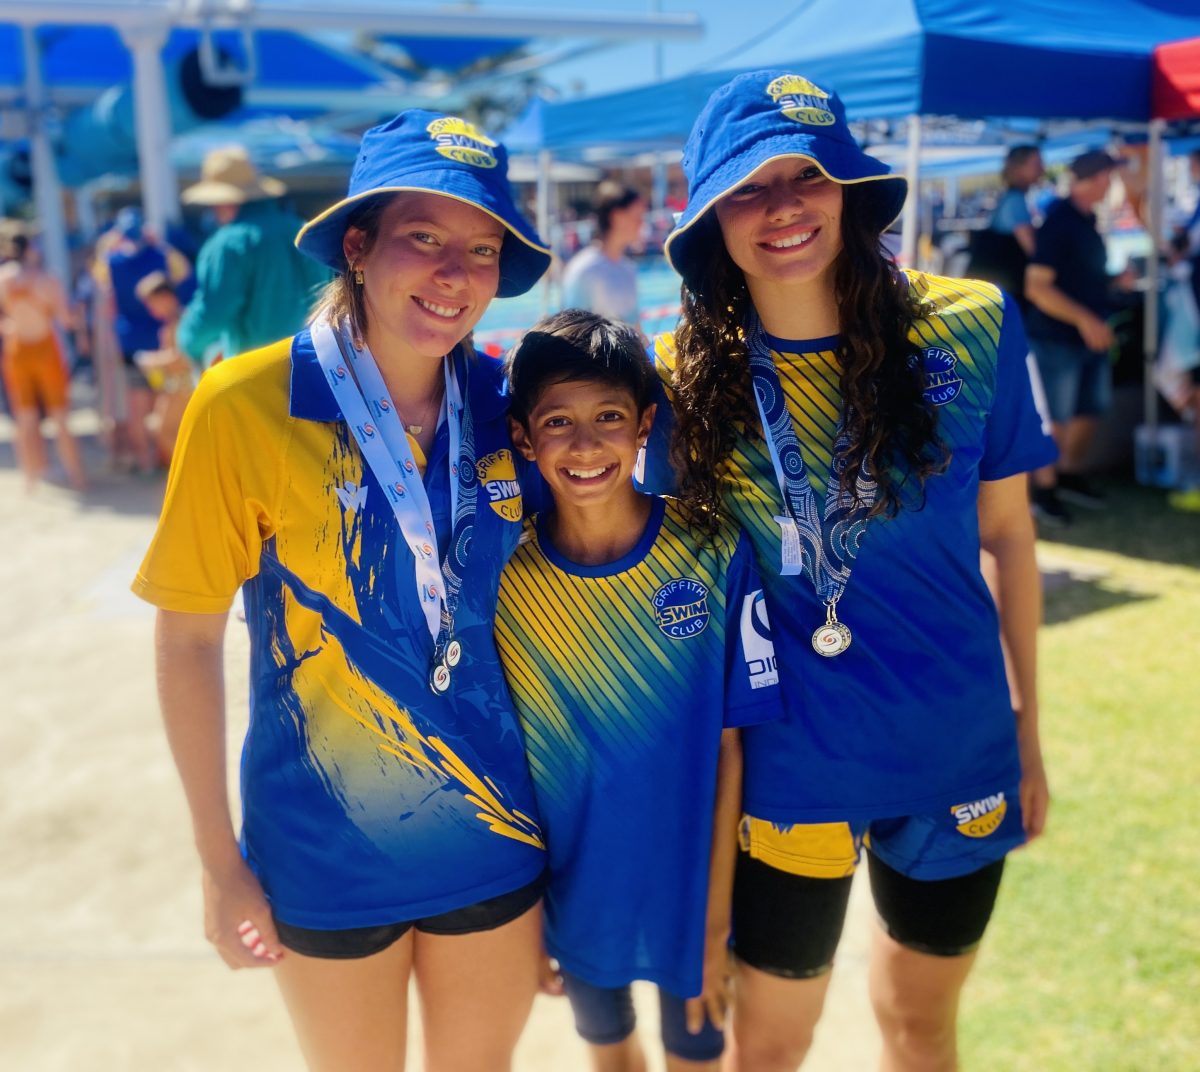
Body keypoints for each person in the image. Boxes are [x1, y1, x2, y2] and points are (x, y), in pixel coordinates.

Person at [640, 70, 1056, 1072]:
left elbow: (1009, 539)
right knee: (770, 1048)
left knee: (921, 1030)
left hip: (954, 752)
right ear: (710, 222)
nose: (784, 208)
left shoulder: (972, 322)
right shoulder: (675, 379)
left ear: (853, 189)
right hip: (787, 775)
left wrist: (1028, 735)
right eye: (749, 187)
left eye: (810, 176)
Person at [131, 110, 553, 1071]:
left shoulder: (510, 400)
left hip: (496, 832)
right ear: (357, 246)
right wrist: (219, 864)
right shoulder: (242, 403)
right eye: (425, 238)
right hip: (321, 846)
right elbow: (186, 641)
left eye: (483, 249)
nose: (455, 275)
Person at [496, 311, 781, 1072]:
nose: (585, 445)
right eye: (558, 421)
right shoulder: (504, 579)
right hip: (576, 903)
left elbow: (730, 751)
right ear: (523, 436)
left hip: (694, 899)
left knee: (696, 1059)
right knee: (610, 1059)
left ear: (645, 424)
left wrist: (716, 920)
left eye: (609, 418)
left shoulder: (713, 549)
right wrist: (527, 921)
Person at [1024, 149, 1130, 524]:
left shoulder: (1086, 221)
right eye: (1111, 177)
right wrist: (1085, 320)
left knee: (1088, 411)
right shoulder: (1059, 221)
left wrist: (1115, 283)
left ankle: (1067, 477)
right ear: (1099, 178)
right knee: (1054, 417)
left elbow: (1081, 277)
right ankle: (1045, 492)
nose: (1113, 185)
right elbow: (1038, 288)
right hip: (1056, 339)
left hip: (1089, 338)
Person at [176, 145, 330, 367]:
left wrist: (186, 342)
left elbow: (213, 313)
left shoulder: (228, 244)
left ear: (225, 202)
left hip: (255, 375)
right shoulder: (304, 231)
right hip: (315, 368)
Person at [102, 207, 193, 474]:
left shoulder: (112, 260)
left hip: (131, 341)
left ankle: (147, 463)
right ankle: (165, 462)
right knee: (162, 411)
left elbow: (97, 273)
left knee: (140, 409)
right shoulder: (163, 256)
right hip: (157, 341)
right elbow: (184, 272)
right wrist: (159, 243)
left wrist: (111, 241)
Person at [0, 232, 87, 492]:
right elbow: (66, 320)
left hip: (16, 350)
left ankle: (30, 477)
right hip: (44, 349)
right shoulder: (47, 280)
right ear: (30, 249)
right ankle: (76, 475)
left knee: (24, 417)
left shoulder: (4, 278)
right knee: (60, 416)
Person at [966, 145, 1044, 307]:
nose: (1042, 169)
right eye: (1037, 164)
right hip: (1004, 291)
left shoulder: (1011, 197)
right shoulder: (1015, 200)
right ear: (1019, 168)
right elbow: (1033, 250)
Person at [561, 181, 646, 324]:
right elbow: (570, 333)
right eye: (638, 217)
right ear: (617, 217)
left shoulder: (628, 268)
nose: (642, 224)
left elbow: (635, 329)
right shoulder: (584, 269)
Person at [133, 271, 193, 466]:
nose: (151, 309)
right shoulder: (173, 322)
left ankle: (190, 471)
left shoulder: (182, 321)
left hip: (184, 388)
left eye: (152, 302)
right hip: (174, 387)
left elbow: (183, 357)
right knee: (162, 429)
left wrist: (151, 360)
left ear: (166, 297)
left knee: (165, 430)